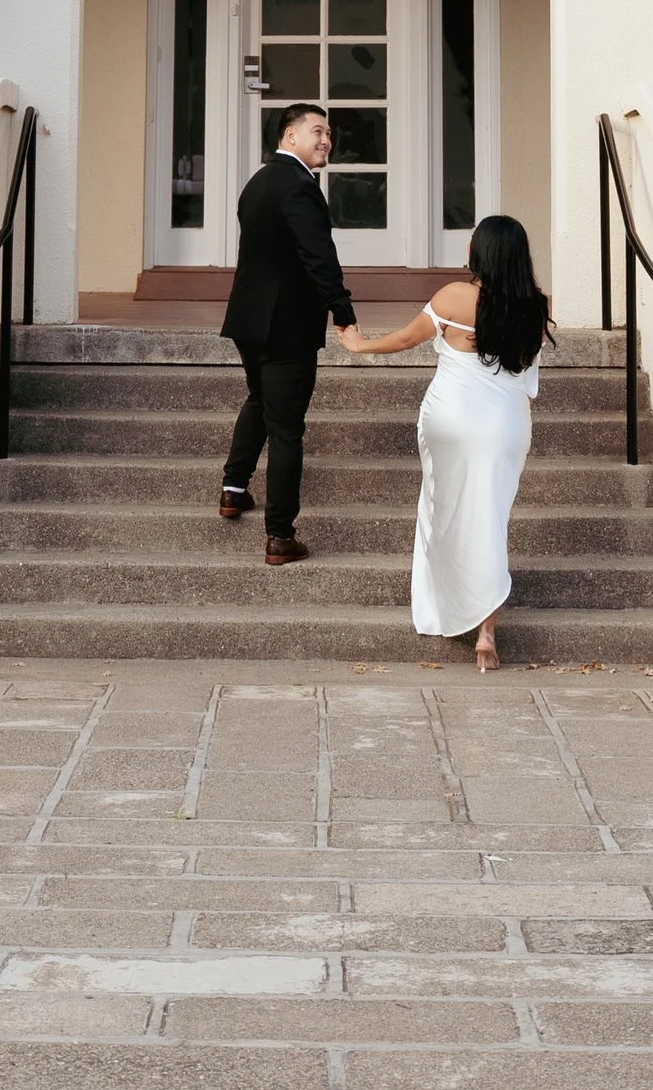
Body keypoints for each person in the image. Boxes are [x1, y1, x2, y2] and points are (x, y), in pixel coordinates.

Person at [337, 213, 550, 670]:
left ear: (482, 253)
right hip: (505, 427)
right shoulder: (536, 307)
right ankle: (486, 635)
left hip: (450, 420)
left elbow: (403, 339)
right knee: (489, 519)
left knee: (443, 510)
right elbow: (527, 384)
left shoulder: (455, 296)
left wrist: (360, 345)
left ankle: (447, 606)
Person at [219, 104, 356, 566]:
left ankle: (233, 489)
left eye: (330, 133)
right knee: (286, 430)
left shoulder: (257, 183)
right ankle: (280, 535)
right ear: (290, 135)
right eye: (317, 131)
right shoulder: (299, 187)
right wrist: (343, 311)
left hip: (247, 318)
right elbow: (319, 255)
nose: (326, 141)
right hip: (286, 325)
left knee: (259, 398)